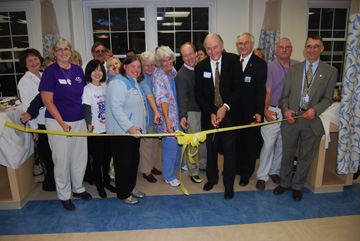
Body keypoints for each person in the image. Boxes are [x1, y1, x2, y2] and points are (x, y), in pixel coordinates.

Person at [274, 34, 338, 201]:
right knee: (287, 154)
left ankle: (297, 186)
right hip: (292, 119)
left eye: (316, 46)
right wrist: (286, 110)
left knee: (305, 155)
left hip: (312, 120)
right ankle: (285, 182)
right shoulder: (294, 70)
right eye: (309, 46)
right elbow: (284, 96)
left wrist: (315, 111)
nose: (312, 50)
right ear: (304, 49)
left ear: (322, 49)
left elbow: (328, 98)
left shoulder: (330, 71)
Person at [39, 38, 92, 211]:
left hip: (78, 120)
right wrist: (62, 123)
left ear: (71, 51)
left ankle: (78, 188)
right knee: (61, 160)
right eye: (59, 50)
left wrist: (87, 121)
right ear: (54, 52)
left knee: (79, 157)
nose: (63, 52)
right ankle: (64, 194)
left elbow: (84, 96)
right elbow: (47, 101)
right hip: (57, 122)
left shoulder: (77, 69)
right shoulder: (50, 71)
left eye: (66, 49)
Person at [195, 33, 243, 200]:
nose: (213, 51)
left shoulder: (234, 61)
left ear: (222, 46)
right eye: (209, 48)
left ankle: (228, 184)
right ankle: (212, 178)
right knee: (211, 150)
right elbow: (199, 95)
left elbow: (239, 88)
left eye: (215, 47)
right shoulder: (200, 67)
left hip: (229, 114)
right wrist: (211, 113)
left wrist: (225, 106)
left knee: (230, 152)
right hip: (210, 115)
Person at [255, 38, 299, 190]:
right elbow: (267, 91)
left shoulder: (297, 66)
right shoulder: (270, 67)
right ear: (276, 50)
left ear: (291, 49)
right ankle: (262, 175)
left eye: (287, 47)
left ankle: (275, 171)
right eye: (281, 47)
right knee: (268, 144)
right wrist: (265, 110)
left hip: (290, 112)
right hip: (273, 110)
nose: (284, 50)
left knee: (283, 144)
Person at [106, 55, 146, 205]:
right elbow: (116, 109)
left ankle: (131, 187)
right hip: (121, 132)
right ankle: (123, 193)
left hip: (133, 133)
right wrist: (130, 127)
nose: (136, 70)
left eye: (138, 67)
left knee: (132, 162)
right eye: (132, 66)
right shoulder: (118, 82)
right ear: (125, 67)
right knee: (123, 164)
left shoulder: (132, 81)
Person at [18, 48, 56, 192]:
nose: (34, 62)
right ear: (25, 64)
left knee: (54, 155)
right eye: (30, 60)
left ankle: (55, 182)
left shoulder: (43, 75)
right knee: (48, 156)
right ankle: (50, 185)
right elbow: (28, 106)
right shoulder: (25, 81)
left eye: (35, 59)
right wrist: (34, 129)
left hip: (51, 120)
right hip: (39, 122)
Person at [235, 32, 267, 187]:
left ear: (252, 45)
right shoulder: (234, 62)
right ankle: (237, 168)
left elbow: (261, 91)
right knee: (237, 142)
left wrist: (259, 112)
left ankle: (246, 174)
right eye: (240, 43)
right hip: (235, 111)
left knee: (250, 144)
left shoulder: (259, 64)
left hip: (251, 111)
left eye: (246, 43)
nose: (243, 46)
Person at [82, 60, 116, 198]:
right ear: (89, 73)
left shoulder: (105, 87)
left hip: (108, 129)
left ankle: (106, 181)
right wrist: (89, 124)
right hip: (96, 131)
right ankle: (99, 185)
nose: (97, 73)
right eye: (94, 70)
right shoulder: (87, 89)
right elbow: (86, 109)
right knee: (97, 160)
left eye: (100, 70)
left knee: (107, 159)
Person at [153, 46, 184, 187]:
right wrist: (167, 120)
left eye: (170, 59)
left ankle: (179, 164)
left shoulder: (173, 71)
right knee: (169, 146)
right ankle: (168, 175)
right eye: (164, 61)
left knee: (179, 141)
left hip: (177, 112)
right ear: (159, 62)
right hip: (168, 116)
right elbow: (163, 99)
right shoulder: (158, 76)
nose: (168, 62)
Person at [175, 42, 207, 182]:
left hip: (205, 111)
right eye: (185, 55)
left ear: (195, 53)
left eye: (190, 54)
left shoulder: (201, 68)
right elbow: (181, 98)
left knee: (204, 143)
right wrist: (183, 116)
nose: (189, 58)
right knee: (193, 145)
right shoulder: (182, 75)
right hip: (191, 113)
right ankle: (193, 171)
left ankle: (204, 165)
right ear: (182, 58)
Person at [139, 51, 162, 183]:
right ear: (142, 66)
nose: (150, 68)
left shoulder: (155, 75)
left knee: (154, 144)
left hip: (156, 117)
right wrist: (157, 112)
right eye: (147, 65)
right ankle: (146, 171)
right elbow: (150, 96)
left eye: (152, 65)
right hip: (147, 117)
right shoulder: (141, 78)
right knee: (146, 146)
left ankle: (152, 166)